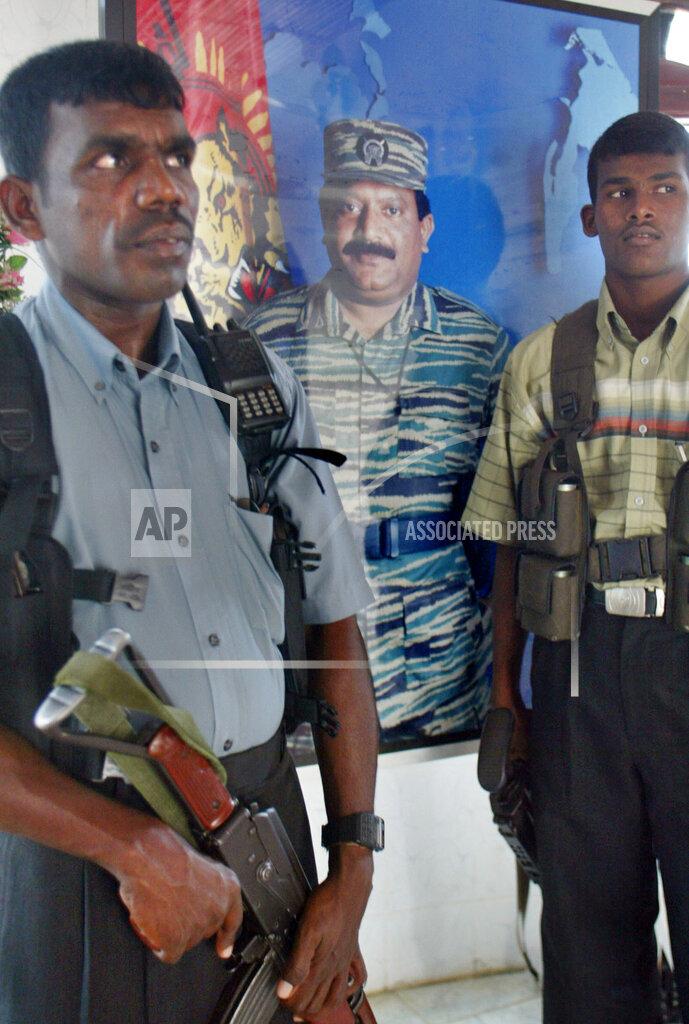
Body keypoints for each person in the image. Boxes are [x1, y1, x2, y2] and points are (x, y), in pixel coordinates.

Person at [0, 40, 379, 1024]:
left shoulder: (253, 389)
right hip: (81, 873)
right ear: (24, 208)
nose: (163, 187)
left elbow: (337, 635)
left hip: (273, 855)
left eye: (176, 156)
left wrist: (352, 864)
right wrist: (126, 847)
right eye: (111, 159)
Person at [463, 110, 689, 1023]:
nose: (642, 209)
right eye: (619, 192)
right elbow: (508, 547)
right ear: (589, 216)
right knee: (589, 942)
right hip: (575, 670)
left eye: (665, 189)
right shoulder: (539, 363)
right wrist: (505, 698)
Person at [246, 119, 509, 744]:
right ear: (325, 219)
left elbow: (502, 521)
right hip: (309, 676)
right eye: (349, 209)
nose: (369, 232)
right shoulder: (260, 343)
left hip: (443, 676)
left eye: (391, 209)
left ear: (425, 228)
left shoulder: (477, 344)